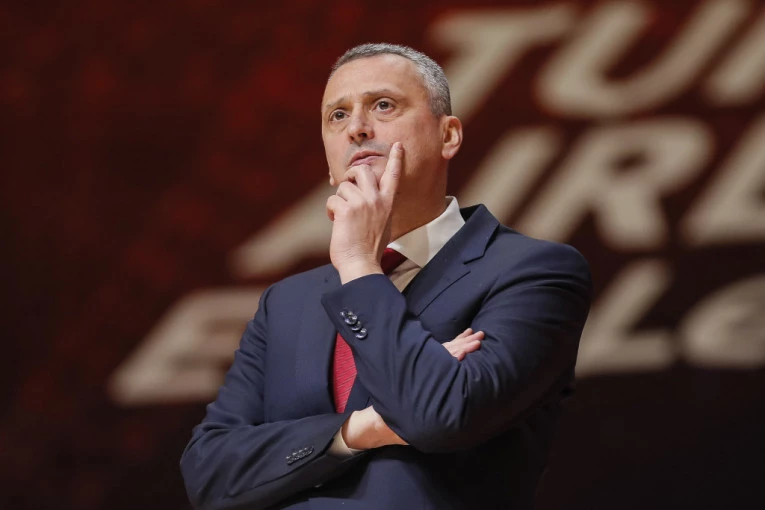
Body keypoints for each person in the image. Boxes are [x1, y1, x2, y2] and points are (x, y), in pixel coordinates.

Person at [180, 42, 591, 510]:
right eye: (337, 116)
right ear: (329, 163)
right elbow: (208, 472)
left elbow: (440, 417)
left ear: (448, 135)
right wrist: (362, 429)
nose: (356, 128)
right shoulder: (286, 302)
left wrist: (359, 263)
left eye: (383, 105)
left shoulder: (534, 271)